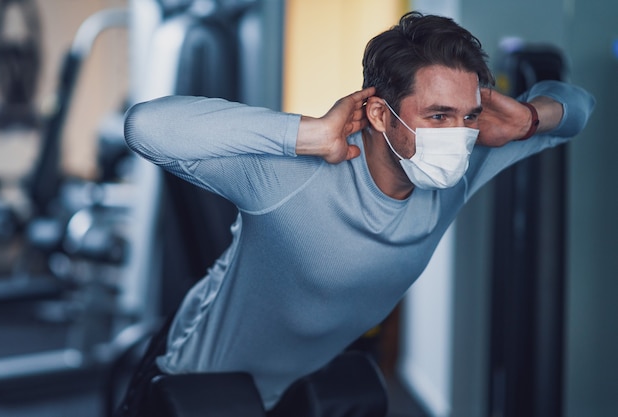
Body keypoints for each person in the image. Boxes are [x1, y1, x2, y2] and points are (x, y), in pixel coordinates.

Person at [116, 11, 595, 417]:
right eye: (438, 116)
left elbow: (579, 108)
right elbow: (146, 126)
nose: (459, 136)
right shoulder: (292, 177)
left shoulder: (462, 169)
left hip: (299, 384)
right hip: (195, 385)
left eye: (468, 116)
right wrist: (308, 133)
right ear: (382, 115)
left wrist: (529, 119)